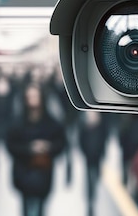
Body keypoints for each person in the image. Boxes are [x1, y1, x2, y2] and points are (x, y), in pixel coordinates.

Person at [6, 84, 66, 216]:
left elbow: (61, 143)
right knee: (26, 207)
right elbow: (11, 146)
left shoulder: (51, 123)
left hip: (43, 173)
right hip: (24, 172)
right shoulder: (18, 123)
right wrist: (30, 148)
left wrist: (48, 147)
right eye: (30, 97)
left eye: (35, 96)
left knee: (40, 209)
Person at [78, 111, 110, 216]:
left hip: (97, 158)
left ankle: (93, 194)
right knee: (89, 179)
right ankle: (90, 198)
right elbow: (81, 141)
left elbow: (104, 141)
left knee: (95, 176)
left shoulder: (101, 128)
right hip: (88, 158)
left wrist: (102, 153)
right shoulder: (85, 128)